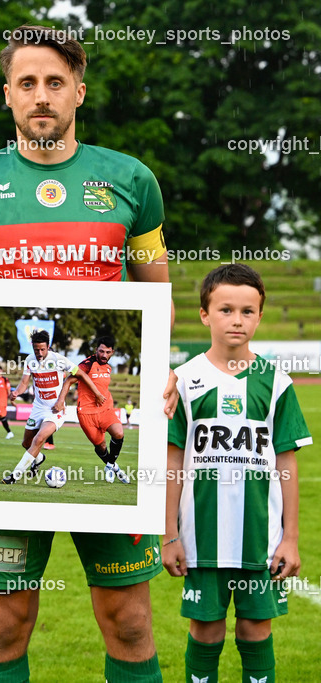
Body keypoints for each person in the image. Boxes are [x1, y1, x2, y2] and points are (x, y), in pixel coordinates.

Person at [0, 24, 171, 682]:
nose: (41, 96)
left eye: (55, 82)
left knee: (129, 618)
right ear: (7, 94)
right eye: (26, 82)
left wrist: (162, 366)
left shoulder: (132, 180)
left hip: (109, 440)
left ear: (78, 93)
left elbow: (157, 295)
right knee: (4, 621)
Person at [165, 263, 312, 683]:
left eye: (248, 311)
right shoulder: (184, 380)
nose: (237, 320)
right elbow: (173, 462)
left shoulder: (276, 382)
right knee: (205, 630)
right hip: (201, 537)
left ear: (260, 316)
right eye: (226, 309)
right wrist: (170, 535)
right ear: (204, 314)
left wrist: (291, 538)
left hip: (261, 538)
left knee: (256, 629)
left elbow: (287, 463)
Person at [1, 329, 101, 484]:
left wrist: (97, 393)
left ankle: (14, 476)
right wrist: (16, 393)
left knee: (39, 439)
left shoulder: (58, 360)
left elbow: (81, 374)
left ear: (48, 347)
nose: (39, 353)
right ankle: (39, 458)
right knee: (26, 443)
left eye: (42, 349)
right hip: (38, 408)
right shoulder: (30, 360)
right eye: (36, 350)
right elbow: (24, 383)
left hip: (55, 410)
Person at [61, 334, 130, 483]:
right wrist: (61, 401)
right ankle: (115, 468)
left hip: (105, 409)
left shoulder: (109, 368)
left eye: (108, 352)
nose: (104, 355)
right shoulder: (87, 364)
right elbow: (68, 381)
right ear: (96, 350)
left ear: (112, 352)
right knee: (101, 446)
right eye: (101, 351)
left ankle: (109, 465)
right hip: (86, 413)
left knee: (118, 433)